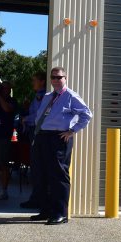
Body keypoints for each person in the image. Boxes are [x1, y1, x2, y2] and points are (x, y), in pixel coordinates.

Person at [28, 66, 91, 225]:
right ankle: (46, 210)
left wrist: (72, 131)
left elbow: (86, 114)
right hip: (42, 137)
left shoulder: (70, 96)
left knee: (58, 175)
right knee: (41, 174)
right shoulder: (48, 96)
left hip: (58, 138)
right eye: (53, 77)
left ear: (65, 78)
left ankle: (60, 213)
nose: (56, 80)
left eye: (59, 77)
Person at [19, 70, 48, 209]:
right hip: (35, 132)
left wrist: (26, 119)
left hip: (37, 132)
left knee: (37, 167)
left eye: (34, 80)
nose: (32, 83)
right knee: (36, 167)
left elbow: (39, 115)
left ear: (42, 81)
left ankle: (38, 198)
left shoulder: (41, 96)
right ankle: (37, 197)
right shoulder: (38, 95)